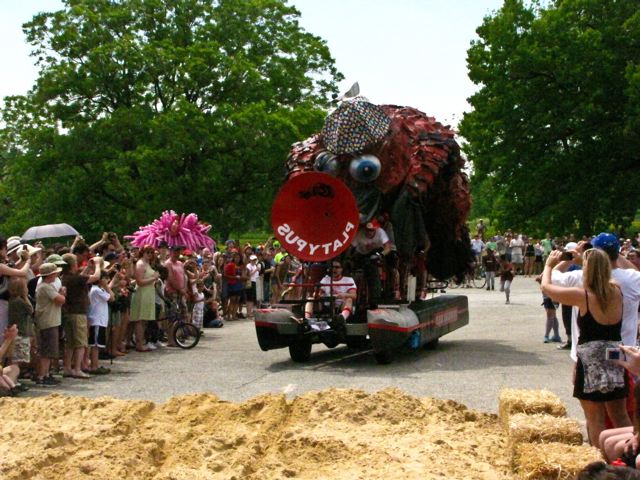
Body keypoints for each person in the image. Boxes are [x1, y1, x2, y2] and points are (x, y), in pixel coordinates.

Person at [542, 248, 632, 447]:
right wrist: (589, 257)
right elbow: (599, 270)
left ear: (587, 270)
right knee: (620, 415)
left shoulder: (583, 295)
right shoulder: (616, 290)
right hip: (616, 358)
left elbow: (547, 287)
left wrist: (549, 265)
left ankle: (600, 461)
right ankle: (628, 455)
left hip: (591, 360)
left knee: (595, 418)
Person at [61, 253, 101, 379]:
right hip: (78, 313)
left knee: (70, 343)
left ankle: (67, 368)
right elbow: (96, 277)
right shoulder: (74, 279)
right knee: (80, 343)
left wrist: (87, 267)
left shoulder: (65, 277)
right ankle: (77, 369)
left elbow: (81, 277)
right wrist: (98, 264)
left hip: (69, 313)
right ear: (73, 265)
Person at [34, 262, 66, 386]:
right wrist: (62, 293)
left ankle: (46, 373)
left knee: (49, 350)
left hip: (49, 320)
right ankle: (42, 375)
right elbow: (60, 300)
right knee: (47, 350)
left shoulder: (45, 286)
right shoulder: (45, 287)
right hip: (48, 321)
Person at [350, 221, 392, 307]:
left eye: (372, 230)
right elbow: (351, 247)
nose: (369, 232)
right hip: (362, 254)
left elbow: (388, 248)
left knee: (373, 270)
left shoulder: (380, 232)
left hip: (377, 253)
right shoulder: (359, 234)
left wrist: (381, 255)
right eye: (367, 230)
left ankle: (375, 297)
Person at [129, 245, 159, 352]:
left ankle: (141, 342)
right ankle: (139, 344)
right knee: (140, 320)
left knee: (144, 320)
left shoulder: (147, 264)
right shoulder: (140, 264)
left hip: (148, 293)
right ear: (143, 253)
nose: (150, 255)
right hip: (142, 293)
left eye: (151, 253)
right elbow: (139, 282)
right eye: (147, 252)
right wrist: (154, 278)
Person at [87, 271, 115, 374]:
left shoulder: (99, 289)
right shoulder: (96, 290)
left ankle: (95, 364)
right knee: (95, 345)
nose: (107, 281)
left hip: (101, 320)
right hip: (96, 320)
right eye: (105, 278)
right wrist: (107, 286)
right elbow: (111, 297)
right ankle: (94, 366)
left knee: (97, 345)